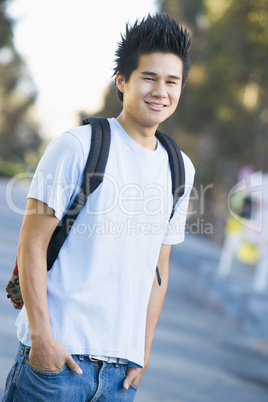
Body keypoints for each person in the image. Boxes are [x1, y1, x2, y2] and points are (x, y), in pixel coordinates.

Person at [3, 13, 195, 401]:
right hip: (54, 368)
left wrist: (142, 353)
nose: (161, 91)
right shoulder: (78, 146)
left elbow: (160, 268)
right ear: (122, 81)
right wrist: (42, 340)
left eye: (171, 81)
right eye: (149, 78)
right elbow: (32, 244)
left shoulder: (181, 169)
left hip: (120, 379)